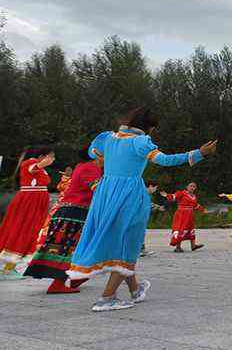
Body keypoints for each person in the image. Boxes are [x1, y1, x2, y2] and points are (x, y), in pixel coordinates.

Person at [67, 107, 216, 311]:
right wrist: (199, 153)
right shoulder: (140, 142)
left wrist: (109, 162)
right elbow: (166, 160)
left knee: (121, 241)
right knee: (128, 244)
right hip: (129, 194)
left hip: (105, 193)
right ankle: (107, 298)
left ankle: (135, 290)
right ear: (150, 128)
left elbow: (91, 153)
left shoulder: (106, 138)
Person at [24, 148, 103, 293]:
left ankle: (77, 277)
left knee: (73, 247)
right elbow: (99, 189)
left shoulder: (82, 166)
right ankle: (59, 283)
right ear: (96, 155)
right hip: (74, 213)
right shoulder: (90, 168)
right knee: (67, 248)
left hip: (72, 211)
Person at [0, 147, 56, 279]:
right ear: (42, 156)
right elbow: (34, 168)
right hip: (29, 202)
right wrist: (44, 163)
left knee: (29, 232)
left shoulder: (37, 166)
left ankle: (11, 267)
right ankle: (6, 268)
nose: (53, 159)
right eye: (51, 156)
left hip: (36, 203)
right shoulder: (29, 163)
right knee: (22, 231)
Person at [160, 182, 205, 252]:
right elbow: (174, 197)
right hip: (182, 214)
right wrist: (167, 195)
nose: (192, 188)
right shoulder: (182, 193)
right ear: (187, 187)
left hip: (190, 215)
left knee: (191, 229)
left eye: (194, 186)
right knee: (180, 228)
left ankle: (193, 246)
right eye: (191, 186)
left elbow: (195, 205)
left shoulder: (193, 196)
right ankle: (178, 247)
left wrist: (203, 210)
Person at [141, 183, 164, 257]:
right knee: (138, 233)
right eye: (155, 188)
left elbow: (148, 204)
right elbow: (146, 203)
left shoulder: (145, 194)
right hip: (136, 217)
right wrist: (157, 207)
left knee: (141, 234)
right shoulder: (142, 192)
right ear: (150, 186)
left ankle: (141, 250)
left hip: (141, 217)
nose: (155, 190)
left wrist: (157, 207)